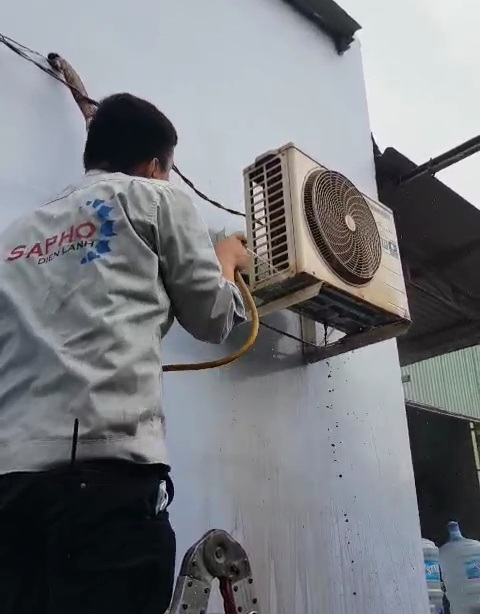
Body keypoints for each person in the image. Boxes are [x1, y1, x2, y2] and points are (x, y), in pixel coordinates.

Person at [0, 92, 249, 614]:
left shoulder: (15, 237)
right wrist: (226, 261)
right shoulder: (155, 199)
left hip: (11, 487)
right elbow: (211, 317)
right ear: (155, 165)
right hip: (105, 482)